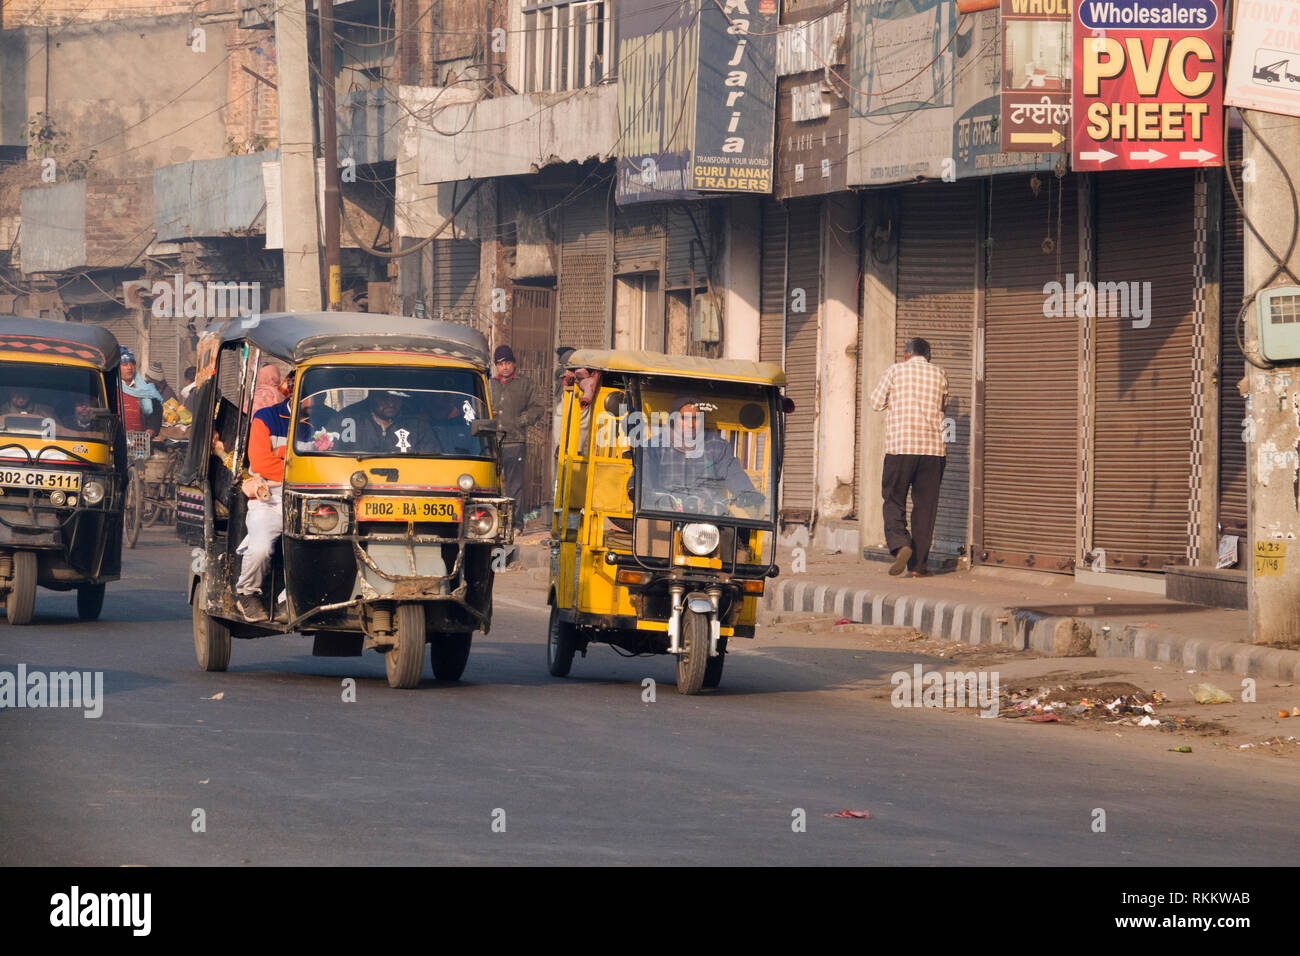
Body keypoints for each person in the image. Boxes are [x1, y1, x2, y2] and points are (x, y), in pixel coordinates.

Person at [870, 337, 949, 578]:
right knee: (925, 508)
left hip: (900, 448)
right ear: (929, 356)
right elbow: (943, 406)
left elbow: (875, 402)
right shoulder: (940, 374)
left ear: (906, 354)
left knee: (893, 499)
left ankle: (900, 543)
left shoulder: (895, 371)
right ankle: (918, 566)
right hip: (933, 451)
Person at [633, 397, 762, 516]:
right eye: (684, 418)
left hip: (707, 518)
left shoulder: (716, 446)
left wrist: (747, 493)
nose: (691, 424)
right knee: (645, 534)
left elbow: (732, 472)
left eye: (696, 418)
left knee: (729, 536)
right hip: (664, 514)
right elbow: (643, 471)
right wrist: (637, 488)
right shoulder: (655, 447)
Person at [236, 386, 291, 622]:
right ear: (293, 387)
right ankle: (246, 593)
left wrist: (280, 453)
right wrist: (305, 470)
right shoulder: (266, 418)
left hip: (316, 495)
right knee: (260, 549)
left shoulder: (330, 419)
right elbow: (260, 462)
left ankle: (288, 600)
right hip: (271, 496)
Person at [488, 345, 546, 531]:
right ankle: (491, 524)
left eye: (507, 363)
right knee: (491, 484)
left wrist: (521, 421)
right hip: (490, 442)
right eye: (500, 363)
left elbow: (538, 408)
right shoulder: (489, 384)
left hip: (515, 441)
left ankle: (515, 524)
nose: (504, 367)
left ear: (513, 363)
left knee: (515, 486)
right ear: (496, 365)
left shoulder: (525, 384)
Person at [335, 390, 435, 455]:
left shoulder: (417, 425)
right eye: (384, 397)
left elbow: (431, 460)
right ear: (372, 397)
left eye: (396, 397)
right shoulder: (347, 420)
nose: (391, 403)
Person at [119, 351, 164, 437]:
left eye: (132, 364)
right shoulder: (111, 388)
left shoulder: (145, 389)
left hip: (140, 442)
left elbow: (156, 412)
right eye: (125, 364)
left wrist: (151, 428)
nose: (129, 367)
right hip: (117, 441)